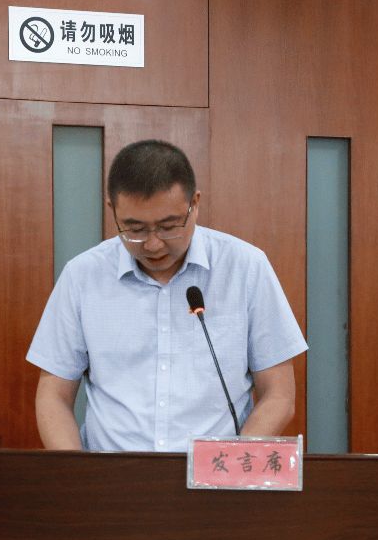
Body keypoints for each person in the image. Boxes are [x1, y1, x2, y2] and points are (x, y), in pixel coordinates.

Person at [27, 140, 307, 451]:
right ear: (112, 210)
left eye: (169, 226)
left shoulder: (246, 268)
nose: (153, 244)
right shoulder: (82, 276)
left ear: (194, 204)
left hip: (216, 474)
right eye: (135, 229)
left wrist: (232, 467)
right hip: (109, 475)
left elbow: (279, 395)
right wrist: (77, 474)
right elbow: (53, 396)